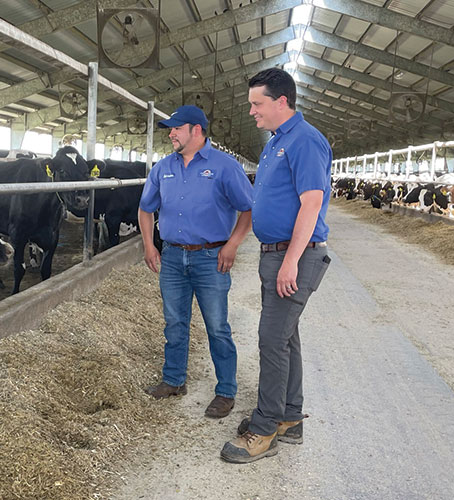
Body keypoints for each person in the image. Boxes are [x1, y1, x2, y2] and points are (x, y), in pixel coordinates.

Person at [220, 68, 332, 463]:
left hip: (293, 255)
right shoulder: (276, 143)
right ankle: (288, 416)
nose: (252, 111)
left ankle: (264, 429)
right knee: (286, 337)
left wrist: (292, 262)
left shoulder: (305, 141)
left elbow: (312, 202)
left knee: (271, 339)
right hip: (276, 253)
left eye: (257, 103)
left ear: (281, 101)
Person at [137, 104, 253, 419]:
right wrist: (149, 245)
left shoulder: (225, 166)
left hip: (210, 258)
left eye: (176, 128)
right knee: (175, 324)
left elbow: (248, 209)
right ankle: (174, 380)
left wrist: (232, 245)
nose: (171, 133)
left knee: (217, 326)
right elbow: (145, 209)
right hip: (173, 257)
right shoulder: (163, 167)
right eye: (170, 129)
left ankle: (226, 390)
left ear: (196, 130)